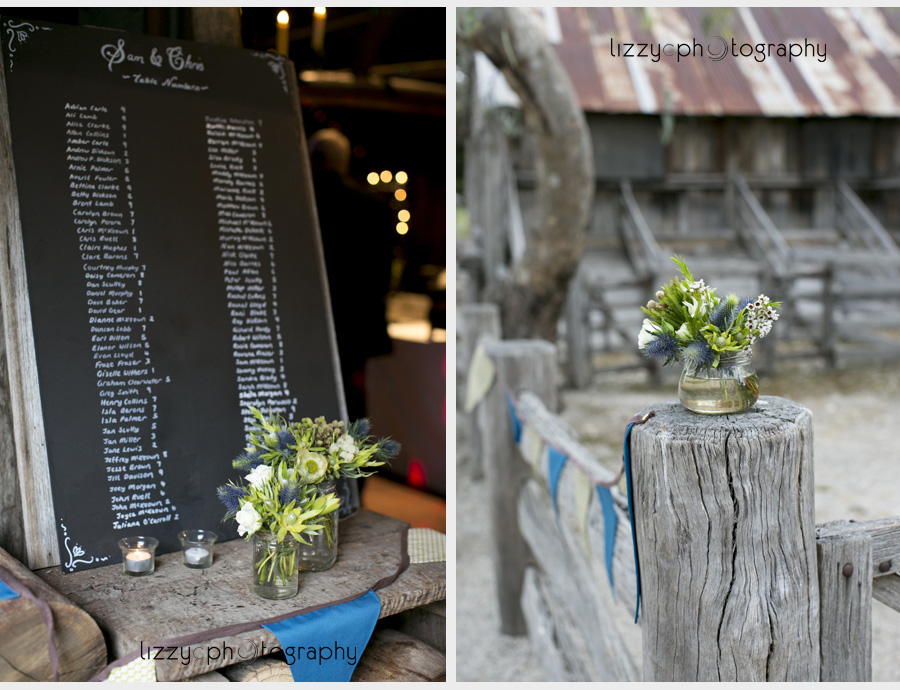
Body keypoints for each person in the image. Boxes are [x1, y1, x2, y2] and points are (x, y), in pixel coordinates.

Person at [308, 128, 393, 422]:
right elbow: (382, 276)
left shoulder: (297, 204)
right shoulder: (372, 208)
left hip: (308, 321)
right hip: (356, 324)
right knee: (350, 399)